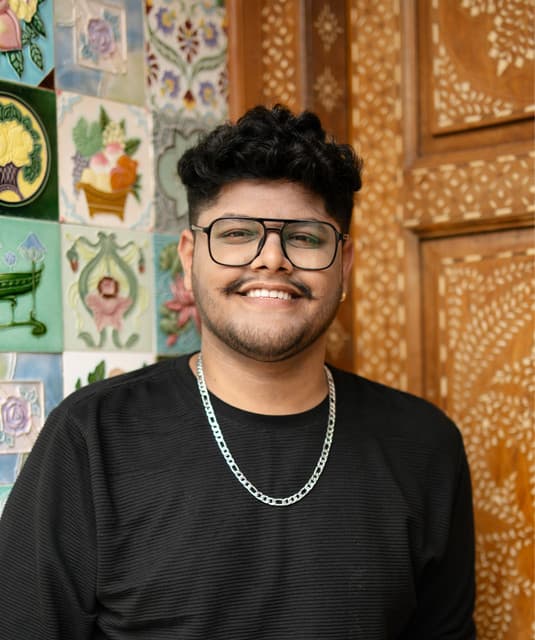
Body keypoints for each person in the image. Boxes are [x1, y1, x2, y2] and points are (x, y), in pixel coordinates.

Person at [0, 105, 476, 639]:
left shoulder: (425, 445)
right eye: (237, 234)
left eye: (305, 237)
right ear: (189, 257)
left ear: (344, 265)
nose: (271, 259)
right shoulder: (90, 439)